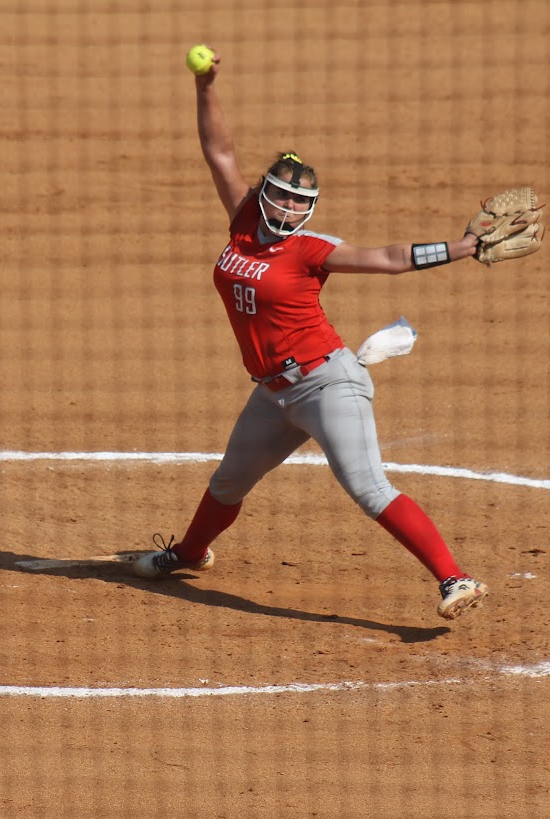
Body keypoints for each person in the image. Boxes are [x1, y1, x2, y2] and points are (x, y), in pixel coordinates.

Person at [132, 48, 488, 621]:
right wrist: (205, 85)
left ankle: (455, 578)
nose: (290, 206)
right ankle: (190, 554)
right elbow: (218, 151)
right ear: (264, 193)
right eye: (282, 194)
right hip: (272, 394)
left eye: (301, 201)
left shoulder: (309, 250)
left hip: (327, 385)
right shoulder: (245, 222)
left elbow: (390, 257)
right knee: (228, 482)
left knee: (368, 488)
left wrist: (461, 248)